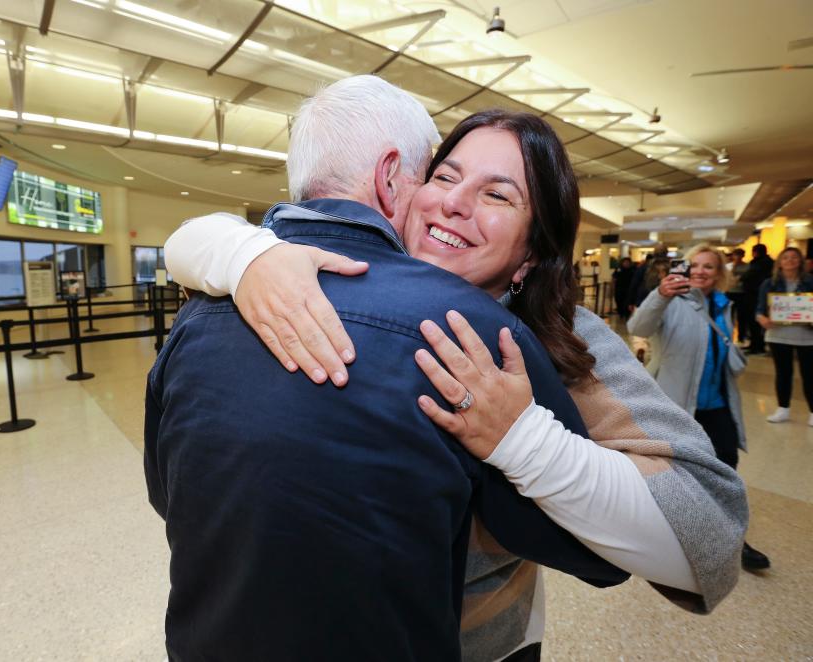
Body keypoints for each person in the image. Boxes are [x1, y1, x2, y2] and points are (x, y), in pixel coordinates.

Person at [164, 101, 748, 659]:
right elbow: (195, 242)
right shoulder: (314, 281)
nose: (454, 203)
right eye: (444, 177)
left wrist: (525, 441)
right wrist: (242, 254)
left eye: (497, 194)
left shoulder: (558, 338)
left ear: (527, 259)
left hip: (482, 643)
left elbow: (710, 530)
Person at [628, 244, 770, 571]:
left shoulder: (724, 305)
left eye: (709, 266)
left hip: (718, 401)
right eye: (695, 265)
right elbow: (638, 328)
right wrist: (660, 295)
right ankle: (670, 535)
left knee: (725, 465)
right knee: (676, 471)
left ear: (720, 273)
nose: (701, 271)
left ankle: (731, 537)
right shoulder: (672, 301)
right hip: (677, 403)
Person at [755, 246, 813, 425]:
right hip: (777, 335)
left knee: (810, 374)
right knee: (783, 373)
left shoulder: (810, 282)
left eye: (794, 258)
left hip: (807, 335)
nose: (790, 261)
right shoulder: (769, 283)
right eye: (786, 258)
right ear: (779, 262)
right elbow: (759, 310)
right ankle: (783, 409)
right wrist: (762, 319)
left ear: (801, 262)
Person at [740, 243, 775, 354]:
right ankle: (756, 345)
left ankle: (756, 346)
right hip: (760, 296)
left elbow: (747, 276)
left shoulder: (758, 263)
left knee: (754, 322)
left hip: (754, 296)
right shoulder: (770, 263)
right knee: (756, 323)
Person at [725, 248, 750, 344]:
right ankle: (728, 335)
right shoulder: (728, 266)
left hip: (742, 293)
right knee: (729, 315)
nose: (737, 257)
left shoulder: (747, 267)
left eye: (740, 255)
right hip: (729, 292)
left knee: (741, 316)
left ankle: (741, 337)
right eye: (736, 255)